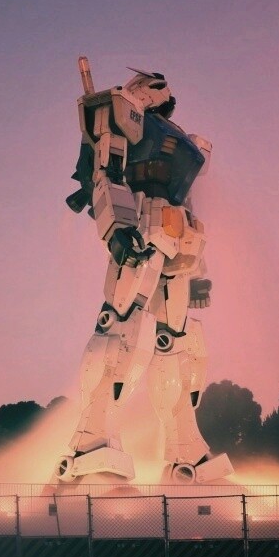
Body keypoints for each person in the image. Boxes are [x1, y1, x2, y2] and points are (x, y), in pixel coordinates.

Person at [47, 58, 233, 493]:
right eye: (156, 86)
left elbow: (186, 199)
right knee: (122, 329)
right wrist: (116, 227)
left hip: (177, 234)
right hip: (141, 226)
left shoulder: (181, 139)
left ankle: (185, 451)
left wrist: (198, 271)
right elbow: (106, 170)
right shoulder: (121, 111)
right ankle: (91, 442)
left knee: (179, 344)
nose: (162, 93)